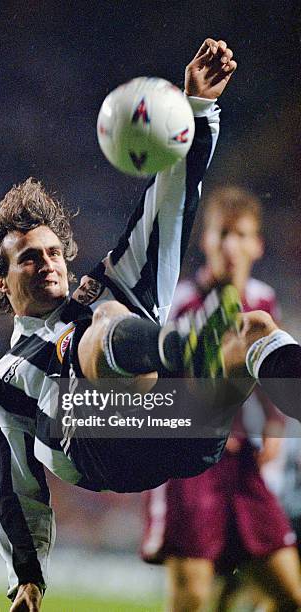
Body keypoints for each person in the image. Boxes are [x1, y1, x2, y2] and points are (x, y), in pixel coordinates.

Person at [0, 38, 239, 611]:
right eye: (28, 258)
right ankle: (190, 351)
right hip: (98, 446)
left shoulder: (104, 284)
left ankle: (224, 363)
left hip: (182, 430)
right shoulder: (5, 379)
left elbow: (169, 202)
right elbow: (12, 484)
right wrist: (28, 573)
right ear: (3, 284)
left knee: (115, 307)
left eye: (52, 253)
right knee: (96, 329)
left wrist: (194, 108)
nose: (47, 263)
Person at [141, 187, 301, 611]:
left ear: (257, 244)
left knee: (291, 595)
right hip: (187, 467)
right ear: (205, 240)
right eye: (222, 233)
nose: (231, 245)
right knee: (192, 598)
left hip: (242, 466)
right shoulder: (179, 304)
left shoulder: (264, 300)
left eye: (241, 234)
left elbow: (271, 370)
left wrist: (273, 422)